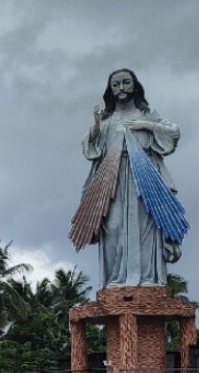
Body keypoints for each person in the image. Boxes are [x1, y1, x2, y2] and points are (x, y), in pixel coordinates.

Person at [71, 69, 186, 289]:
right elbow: (90, 148)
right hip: (112, 180)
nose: (121, 88)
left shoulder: (148, 113)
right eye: (116, 84)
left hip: (144, 178)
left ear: (134, 86)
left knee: (145, 226)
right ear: (110, 90)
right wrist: (96, 126)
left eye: (125, 82)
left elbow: (173, 131)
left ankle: (148, 279)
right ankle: (116, 280)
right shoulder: (106, 119)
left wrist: (147, 125)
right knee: (112, 225)